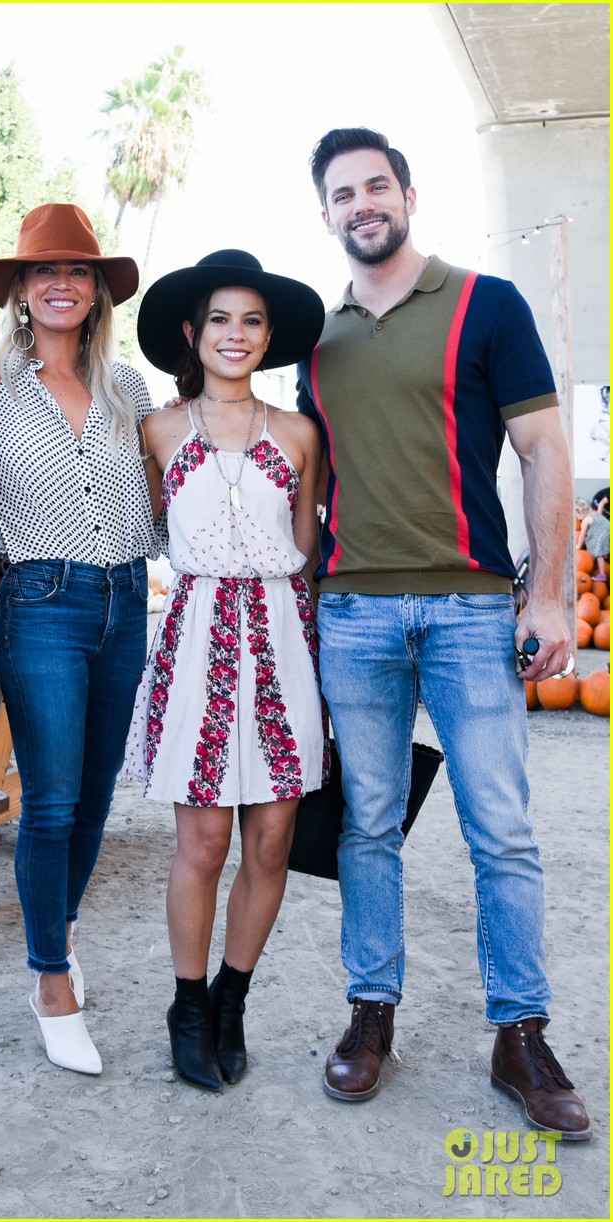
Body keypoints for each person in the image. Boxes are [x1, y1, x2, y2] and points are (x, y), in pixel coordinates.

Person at [296, 127, 590, 1138]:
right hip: (352, 614)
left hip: (470, 609)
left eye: (377, 184)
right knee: (367, 823)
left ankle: (519, 1033)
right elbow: (311, 484)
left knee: (499, 829)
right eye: (343, 192)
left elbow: (544, 447)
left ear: (408, 196)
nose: (362, 202)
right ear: (325, 214)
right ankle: (370, 1012)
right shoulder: (316, 339)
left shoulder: (484, 303)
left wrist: (545, 596)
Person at [0, 204, 158, 1076]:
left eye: (79, 272)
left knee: (100, 793)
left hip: (127, 596)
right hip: (38, 597)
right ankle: (49, 982)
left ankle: (58, 936)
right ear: (21, 292)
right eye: (45, 272)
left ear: (99, 291)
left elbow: (164, 493)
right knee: (52, 799)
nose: (62, 285)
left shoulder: (133, 389)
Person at [125, 251, 327, 1091]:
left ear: (268, 335)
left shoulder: (298, 433)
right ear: (190, 333)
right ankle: (186, 1003)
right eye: (218, 320)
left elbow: (308, 548)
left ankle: (232, 998)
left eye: (249, 321)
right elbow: (146, 530)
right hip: (196, 630)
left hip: (280, 633)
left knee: (271, 840)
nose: (233, 335)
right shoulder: (159, 431)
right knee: (203, 842)